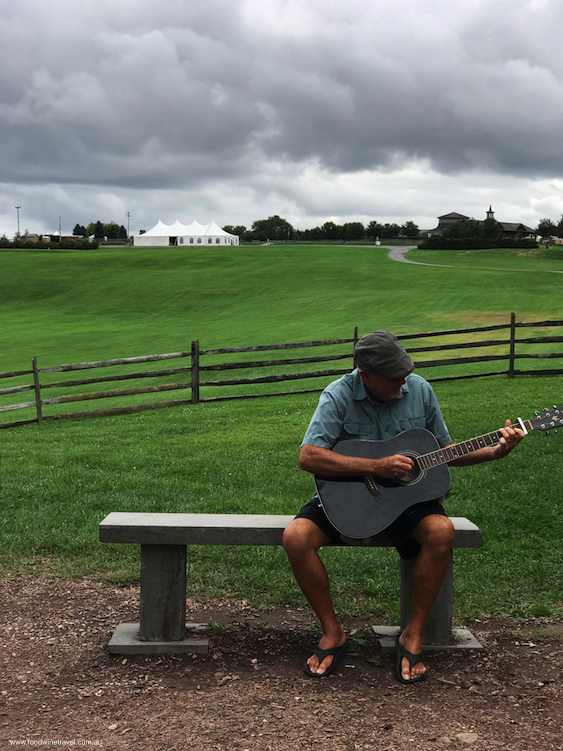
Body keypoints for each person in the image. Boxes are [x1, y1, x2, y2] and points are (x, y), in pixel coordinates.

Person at [282, 330, 524, 683]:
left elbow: (447, 451)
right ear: (365, 375)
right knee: (295, 536)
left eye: (405, 373)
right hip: (349, 500)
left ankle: (412, 635)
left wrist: (498, 450)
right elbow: (308, 457)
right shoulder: (338, 395)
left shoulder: (420, 390)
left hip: (407, 505)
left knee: (442, 530)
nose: (403, 381)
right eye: (394, 377)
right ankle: (333, 633)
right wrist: (375, 467)